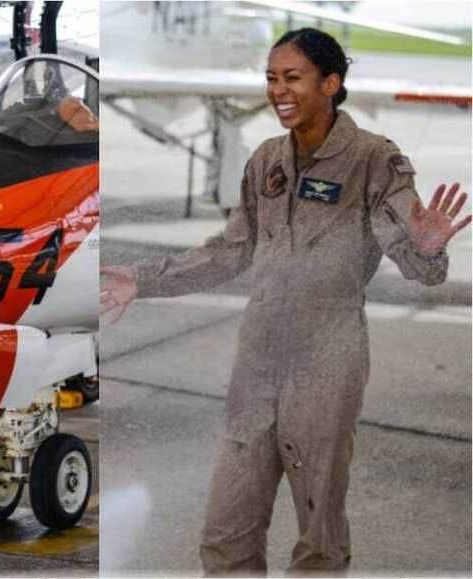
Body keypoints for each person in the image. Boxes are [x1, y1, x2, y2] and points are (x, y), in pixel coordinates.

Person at [100, 28, 469, 575]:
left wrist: (428, 250)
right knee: (226, 532)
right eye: (271, 79)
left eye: (292, 78)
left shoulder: (373, 161)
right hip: (258, 362)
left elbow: (419, 265)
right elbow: (229, 252)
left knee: (319, 533)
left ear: (331, 83)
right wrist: (144, 279)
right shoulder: (267, 160)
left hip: (327, 361)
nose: (278, 90)